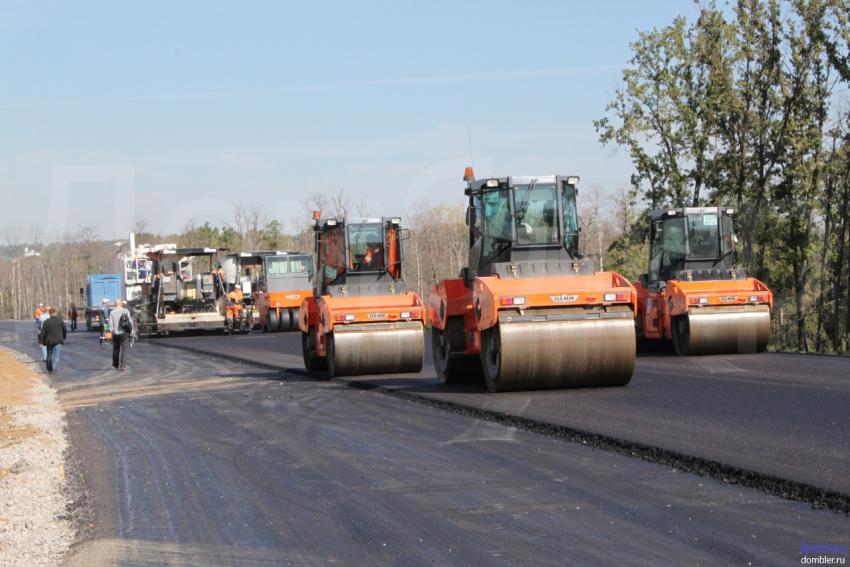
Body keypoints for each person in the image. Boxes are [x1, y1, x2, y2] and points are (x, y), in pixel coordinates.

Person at [108, 299, 134, 370]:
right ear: (121, 304)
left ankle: (115, 365)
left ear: (115, 304)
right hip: (125, 332)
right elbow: (130, 321)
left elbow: (110, 324)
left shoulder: (112, 312)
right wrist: (131, 330)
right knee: (124, 349)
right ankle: (123, 365)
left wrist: (112, 331)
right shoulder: (125, 311)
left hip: (116, 333)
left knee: (116, 349)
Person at [40, 308, 67, 373]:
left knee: (49, 355)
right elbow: (64, 330)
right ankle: (54, 368)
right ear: (55, 313)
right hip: (58, 340)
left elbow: (43, 332)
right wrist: (63, 337)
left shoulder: (46, 321)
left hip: (49, 340)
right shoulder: (60, 320)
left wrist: (40, 341)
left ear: (49, 313)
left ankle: (49, 367)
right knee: (56, 355)